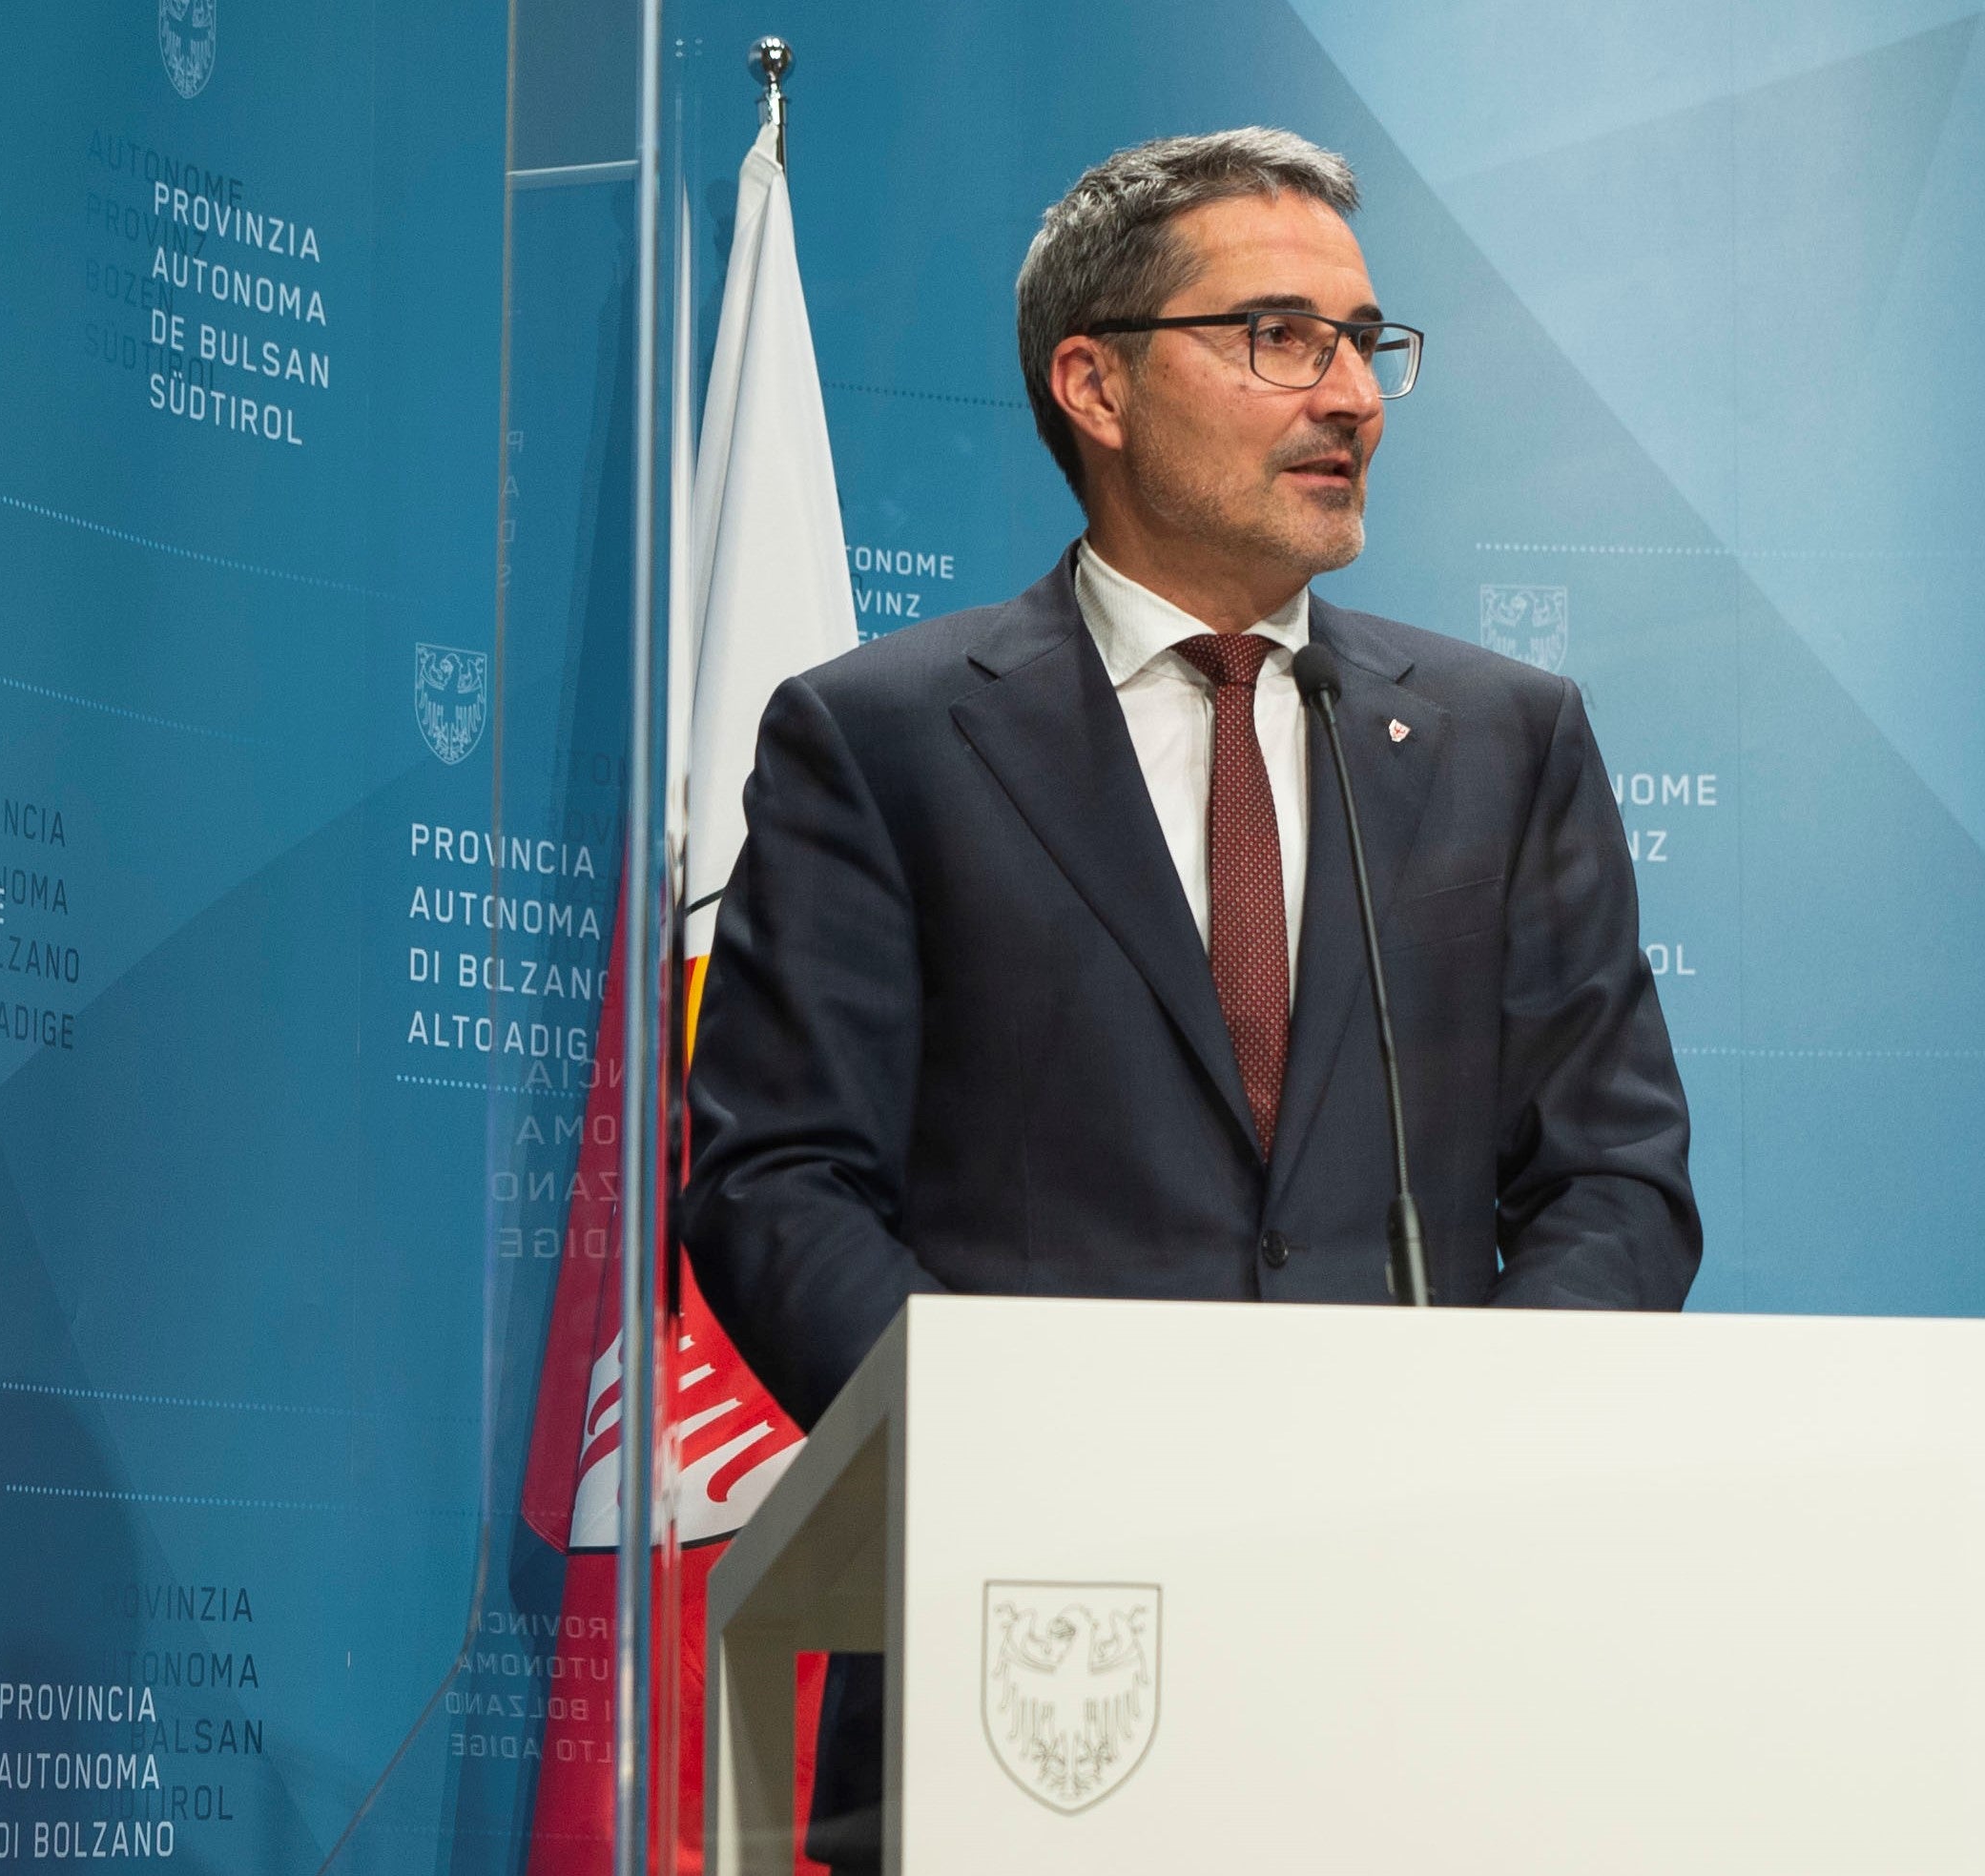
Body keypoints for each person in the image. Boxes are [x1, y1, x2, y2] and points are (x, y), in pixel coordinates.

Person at [681, 126, 1698, 1866]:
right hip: (1025, 1665)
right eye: (1281, 338)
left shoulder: (1504, 742)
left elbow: (1613, 1181)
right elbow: (780, 1183)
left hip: (1417, 1661)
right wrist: (1031, 1461)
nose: (1352, 398)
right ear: (1095, 382)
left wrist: (1464, 1461)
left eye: (1367, 345)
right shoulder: (883, 739)